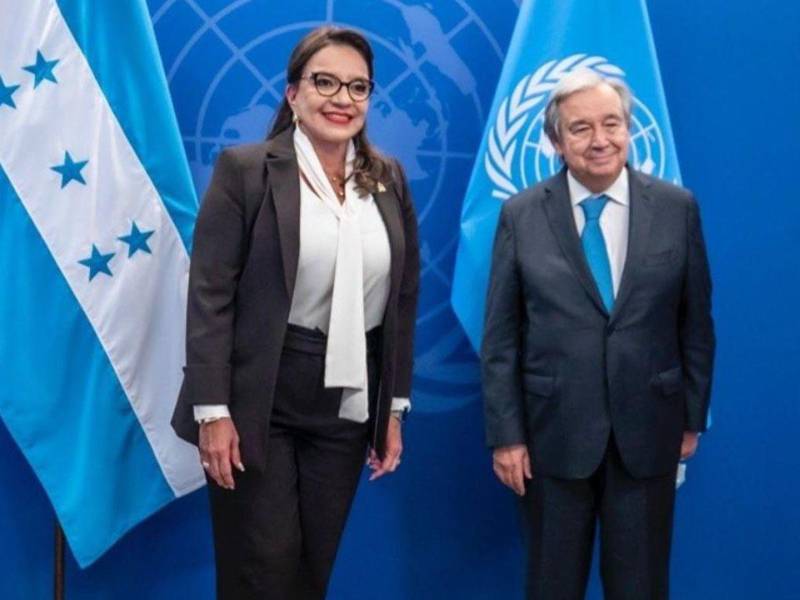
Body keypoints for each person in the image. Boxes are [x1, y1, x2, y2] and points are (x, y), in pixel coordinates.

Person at [171, 26, 419, 599]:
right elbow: (210, 295)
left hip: (347, 400)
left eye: (358, 87)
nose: (342, 99)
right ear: (293, 93)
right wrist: (213, 411)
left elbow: (402, 298)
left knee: (313, 567)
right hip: (261, 395)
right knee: (261, 568)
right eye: (325, 82)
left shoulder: (387, 180)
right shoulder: (247, 170)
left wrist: (394, 408)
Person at [481, 69, 715, 599]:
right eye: (581, 128)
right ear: (556, 141)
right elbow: (501, 337)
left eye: (612, 123)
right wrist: (507, 434)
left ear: (630, 129)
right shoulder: (520, 216)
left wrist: (692, 416)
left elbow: (696, 322)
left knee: (640, 588)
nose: (600, 140)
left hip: (650, 432)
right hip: (550, 438)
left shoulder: (677, 208)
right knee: (552, 586)